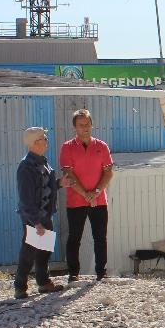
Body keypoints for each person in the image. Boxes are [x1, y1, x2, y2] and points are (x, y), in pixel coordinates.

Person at [60, 109, 114, 281]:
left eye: (87, 124)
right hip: (76, 200)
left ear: (92, 125)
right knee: (74, 237)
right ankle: (73, 273)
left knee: (100, 237)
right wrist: (85, 194)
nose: (85, 128)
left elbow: (108, 172)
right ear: (75, 127)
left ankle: (101, 272)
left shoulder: (102, 146)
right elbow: (68, 174)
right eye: (81, 125)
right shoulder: (67, 147)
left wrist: (96, 192)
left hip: (99, 200)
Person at [15, 127, 68, 299]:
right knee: (29, 252)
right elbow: (26, 198)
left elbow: (46, 186)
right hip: (34, 217)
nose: (46, 141)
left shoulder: (43, 162)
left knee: (44, 251)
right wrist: (35, 222)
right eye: (43, 138)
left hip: (45, 214)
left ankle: (43, 282)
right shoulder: (26, 167)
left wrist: (60, 183)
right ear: (34, 143)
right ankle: (20, 287)